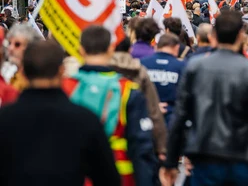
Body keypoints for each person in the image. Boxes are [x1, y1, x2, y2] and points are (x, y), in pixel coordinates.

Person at [160, 11, 248, 186]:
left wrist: (171, 162)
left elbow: (180, 115)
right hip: (241, 157)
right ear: (240, 36)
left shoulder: (195, 67)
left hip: (204, 154)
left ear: (213, 37)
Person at [0, 40, 120, 185]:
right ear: (62, 71)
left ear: (23, 72)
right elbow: (108, 178)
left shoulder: (5, 119)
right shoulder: (85, 120)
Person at [63, 26, 157, 185]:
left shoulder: (64, 87)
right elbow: (142, 148)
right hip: (120, 176)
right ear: (111, 49)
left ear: (81, 50)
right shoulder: (127, 89)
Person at [111, 36, 168, 161]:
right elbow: (153, 110)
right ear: (129, 50)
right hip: (138, 136)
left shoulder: (104, 71)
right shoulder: (140, 71)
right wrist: (161, 148)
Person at [141, 33, 185, 127]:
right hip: (172, 116)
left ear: (157, 46)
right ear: (176, 47)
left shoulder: (143, 63)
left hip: (147, 116)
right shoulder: (181, 66)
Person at [2, 23, 43, 91]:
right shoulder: (5, 71)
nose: (10, 48)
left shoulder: (38, 80)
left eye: (17, 44)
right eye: (9, 43)